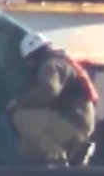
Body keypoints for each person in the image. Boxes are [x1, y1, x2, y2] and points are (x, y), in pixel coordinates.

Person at [7, 32, 99, 166]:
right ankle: (64, 157)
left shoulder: (50, 65)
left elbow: (49, 90)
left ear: (34, 56)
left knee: (21, 117)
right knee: (27, 147)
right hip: (79, 122)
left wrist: (18, 103)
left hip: (73, 123)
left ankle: (58, 158)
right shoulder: (62, 61)